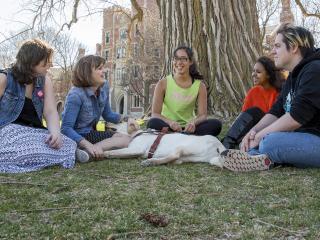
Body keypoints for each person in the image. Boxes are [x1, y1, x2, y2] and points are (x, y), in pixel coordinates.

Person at [221, 24, 320, 171]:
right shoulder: (293, 76)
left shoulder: (314, 69)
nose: (272, 51)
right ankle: (255, 158)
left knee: (269, 142)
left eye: (277, 46)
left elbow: (295, 118)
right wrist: (252, 132)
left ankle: (259, 156)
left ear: (293, 47)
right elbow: (276, 111)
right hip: (301, 138)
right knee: (261, 140)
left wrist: (260, 136)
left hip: (315, 140)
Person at [0, 39, 77, 173]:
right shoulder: (5, 78)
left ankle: (51, 155)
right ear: (31, 62)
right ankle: (64, 156)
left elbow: (50, 112)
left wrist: (55, 133)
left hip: (35, 133)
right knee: (23, 149)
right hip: (9, 132)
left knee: (68, 143)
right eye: (46, 62)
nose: (50, 65)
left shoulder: (45, 80)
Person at [61, 55, 131, 161]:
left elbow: (108, 115)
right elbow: (66, 128)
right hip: (78, 136)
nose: (104, 71)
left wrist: (127, 119)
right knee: (125, 140)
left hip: (91, 133)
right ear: (87, 72)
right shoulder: (76, 95)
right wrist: (88, 145)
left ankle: (86, 153)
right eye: (99, 69)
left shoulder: (103, 88)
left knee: (126, 138)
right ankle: (88, 150)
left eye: (103, 68)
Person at [147, 46, 222, 136]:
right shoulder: (162, 84)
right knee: (152, 123)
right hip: (169, 126)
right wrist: (170, 122)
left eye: (183, 59)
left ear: (190, 62)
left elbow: (202, 115)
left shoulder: (200, 86)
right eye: (176, 59)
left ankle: (179, 136)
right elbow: (155, 114)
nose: (179, 62)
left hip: (189, 128)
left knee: (216, 124)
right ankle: (182, 136)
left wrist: (193, 123)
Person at [222, 56, 286, 149]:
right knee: (253, 113)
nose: (253, 74)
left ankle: (230, 144)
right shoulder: (253, 92)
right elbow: (243, 118)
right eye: (253, 71)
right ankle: (227, 144)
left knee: (255, 112)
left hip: (272, 130)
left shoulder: (280, 92)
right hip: (252, 132)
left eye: (258, 72)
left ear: (268, 74)